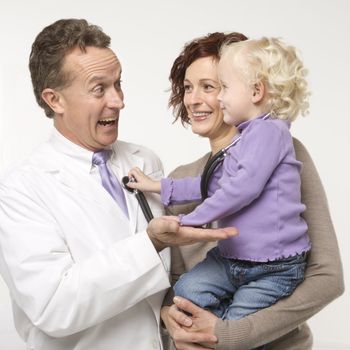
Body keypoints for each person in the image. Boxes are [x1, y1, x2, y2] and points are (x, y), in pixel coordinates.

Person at [0, 20, 237, 350]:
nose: (118, 101)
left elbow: (160, 283)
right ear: (55, 100)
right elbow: (53, 307)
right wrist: (149, 243)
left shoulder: (145, 162)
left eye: (118, 84)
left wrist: (168, 310)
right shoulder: (21, 189)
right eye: (99, 89)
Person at [140, 32, 343, 349]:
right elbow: (178, 282)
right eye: (188, 87)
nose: (194, 99)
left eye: (211, 86)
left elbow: (328, 279)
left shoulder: (286, 150)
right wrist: (170, 317)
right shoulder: (183, 177)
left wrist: (231, 333)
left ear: (253, 90)